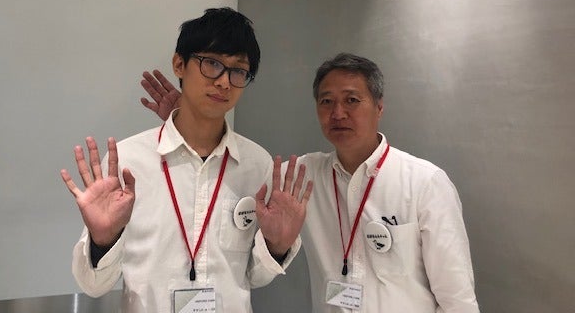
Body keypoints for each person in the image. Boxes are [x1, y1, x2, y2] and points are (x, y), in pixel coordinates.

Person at [141, 53, 479, 312]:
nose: (338, 113)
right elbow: (241, 172)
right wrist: (190, 123)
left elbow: (458, 300)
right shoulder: (305, 176)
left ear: (379, 107)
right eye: (326, 101)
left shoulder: (424, 183)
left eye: (352, 100)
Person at [61, 7, 313, 313]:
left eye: (238, 71)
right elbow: (93, 285)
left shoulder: (256, 164)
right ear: (179, 64)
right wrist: (103, 240)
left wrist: (277, 247)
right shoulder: (129, 161)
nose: (224, 82)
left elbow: (253, 277)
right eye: (212, 64)